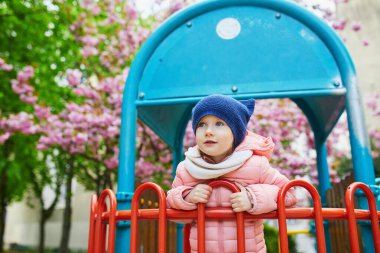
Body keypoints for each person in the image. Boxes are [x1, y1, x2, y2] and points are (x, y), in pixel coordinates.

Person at [166, 94, 297, 253]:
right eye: (201, 124)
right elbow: (172, 211)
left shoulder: (255, 164)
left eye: (219, 123)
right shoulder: (187, 168)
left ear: (236, 131)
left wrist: (253, 197)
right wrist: (187, 197)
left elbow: (289, 194)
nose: (208, 131)